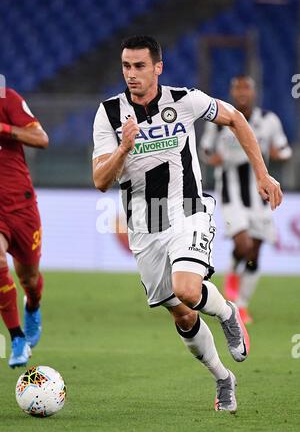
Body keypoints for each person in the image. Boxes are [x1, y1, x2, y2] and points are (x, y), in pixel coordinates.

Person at [92, 36, 282, 412]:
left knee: (188, 288)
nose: (131, 74)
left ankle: (228, 313)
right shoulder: (109, 114)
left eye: (140, 66)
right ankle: (223, 378)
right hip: (144, 222)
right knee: (181, 311)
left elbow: (235, 118)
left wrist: (263, 174)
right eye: (126, 67)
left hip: (187, 208)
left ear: (158, 67)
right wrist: (124, 148)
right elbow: (100, 179)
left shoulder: (185, 100)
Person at [200, 75, 292, 324]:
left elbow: (284, 149)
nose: (241, 93)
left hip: (260, 195)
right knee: (243, 244)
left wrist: (277, 153)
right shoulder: (220, 120)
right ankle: (231, 276)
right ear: (232, 92)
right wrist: (211, 158)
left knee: (255, 252)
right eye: (237, 88)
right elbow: (206, 149)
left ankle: (241, 305)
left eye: (246, 88)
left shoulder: (269, 120)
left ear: (254, 92)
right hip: (231, 195)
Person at [0, 87, 48, 368]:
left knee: (29, 278)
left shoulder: (7, 98)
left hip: (21, 207)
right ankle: (16, 338)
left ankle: (33, 303)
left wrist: (3, 128)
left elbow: (40, 138)